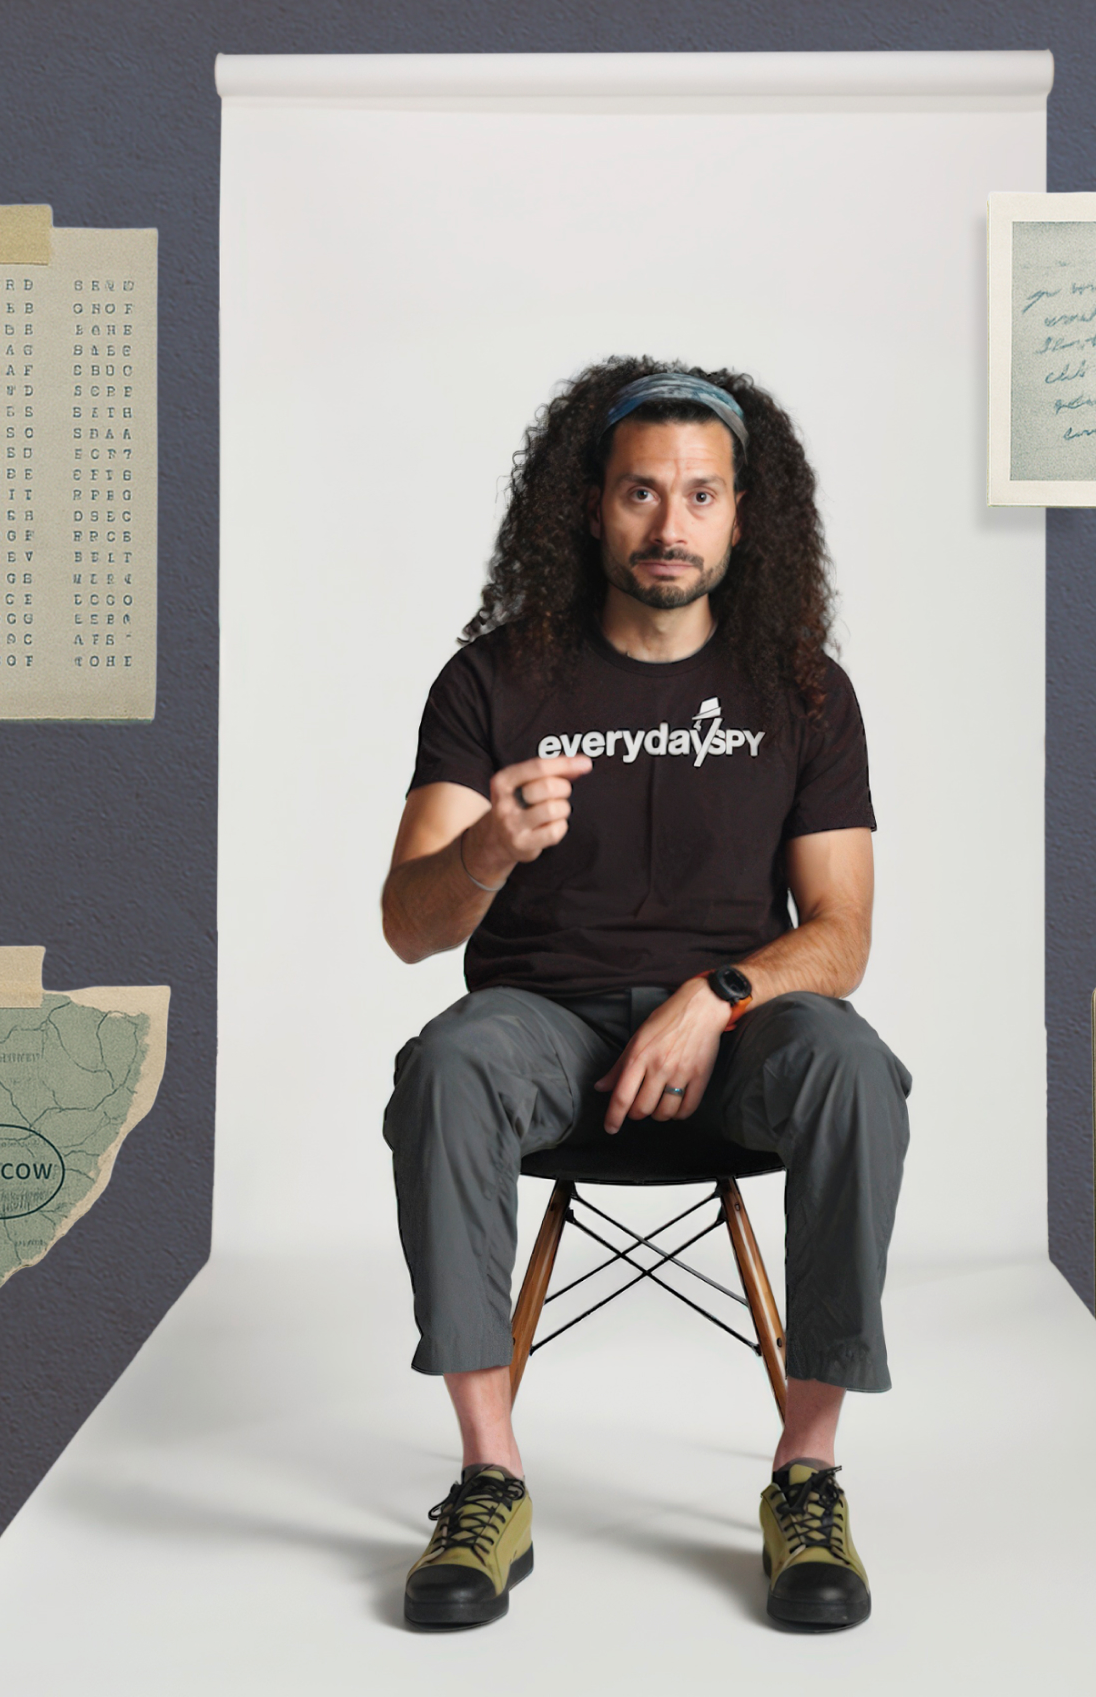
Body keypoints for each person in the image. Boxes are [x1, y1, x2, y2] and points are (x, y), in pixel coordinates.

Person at [378, 358, 911, 1632]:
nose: (669, 526)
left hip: (735, 1040)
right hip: (544, 1028)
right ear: (587, 507)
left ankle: (806, 1475)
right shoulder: (493, 681)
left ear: (741, 515)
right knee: (444, 1064)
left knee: (851, 1062)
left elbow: (839, 937)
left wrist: (717, 993)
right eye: (638, 493)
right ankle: (486, 1477)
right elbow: (407, 924)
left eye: (700, 496)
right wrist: (487, 851)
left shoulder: (804, 690)